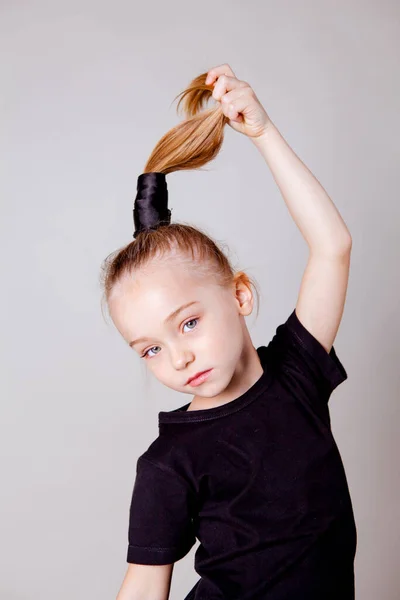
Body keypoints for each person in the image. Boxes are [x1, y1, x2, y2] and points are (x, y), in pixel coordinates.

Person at [100, 63, 356, 600]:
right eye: (151, 349)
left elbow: (332, 245)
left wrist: (262, 134)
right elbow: (145, 584)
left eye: (189, 323)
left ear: (239, 296)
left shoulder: (297, 373)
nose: (179, 358)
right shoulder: (168, 463)